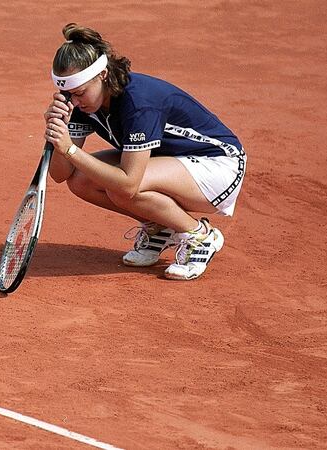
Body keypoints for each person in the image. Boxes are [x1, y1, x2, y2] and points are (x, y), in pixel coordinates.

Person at [44, 23, 246, 280]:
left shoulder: (139, 103)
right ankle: (159, 227)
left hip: (219, 165)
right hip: (169, 161)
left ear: (103, 75)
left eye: (79, 92)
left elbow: (127, 185)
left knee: (121, 186)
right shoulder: (81, 103)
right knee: (81, 181)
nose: (74, 101)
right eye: (67, 94)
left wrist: (70, 148)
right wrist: (57, 132)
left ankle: (199, 236)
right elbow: (61, 174)